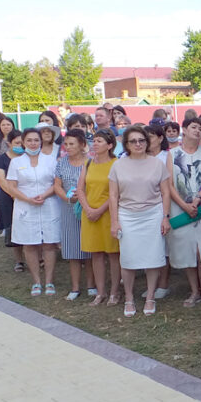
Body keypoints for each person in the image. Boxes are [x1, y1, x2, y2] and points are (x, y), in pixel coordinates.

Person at [108, 126, 173, 316]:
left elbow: (165, 192)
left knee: (153, 258)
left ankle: (150, 296)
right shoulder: (118, 165)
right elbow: (113, 195)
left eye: (141, 140)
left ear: (147, 142)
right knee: (127, 259)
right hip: (127, 215)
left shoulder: (157, 164)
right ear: (126, 144)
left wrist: (165, 217)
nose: (138, 144)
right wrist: (114, 222)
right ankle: (129, 298)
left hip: (153, 214)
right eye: (133, 141)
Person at [6, 128, 61, 296]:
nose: (33, 143)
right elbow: (11, 186)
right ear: (23, 142)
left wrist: (44, 195)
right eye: (29, 140)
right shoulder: (16, 162)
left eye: (36, 140)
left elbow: (56, 183)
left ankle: (49, 281)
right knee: (29, 244)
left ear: (41, 141)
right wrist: (28, 199)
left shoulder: (51, 160)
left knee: (49, 244)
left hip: (48, 203)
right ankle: (37, 281)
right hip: (26, 206)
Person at [168, 117, 201, 306]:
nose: (198, 131)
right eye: (194, 127)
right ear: (184, 130)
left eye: (200, 129)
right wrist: (184, 205)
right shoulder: (172, 154)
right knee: (187, 250)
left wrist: (197, 199)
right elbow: (169, 184)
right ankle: (194, 291)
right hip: (180, 208)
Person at [78, 129, 122, 305]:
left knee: (113, 254)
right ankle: (101, 292)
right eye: (94, 140)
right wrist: (88, 208)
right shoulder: (88, 163)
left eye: (99, 141)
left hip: (108, 214)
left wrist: (100, 210)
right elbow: (80, 188)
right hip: (89, 214)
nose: (94, 144)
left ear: (110, 145)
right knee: (96, 254)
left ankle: (114, 292)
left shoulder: (116, 164)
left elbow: (117, 193)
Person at [54, 129, 94, 300]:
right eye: (66, 144)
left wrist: (83, 198)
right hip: (69, 209)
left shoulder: (91, 162)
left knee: (90, 250)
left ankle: (92, 285)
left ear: (82, 145)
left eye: (72, 144)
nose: (68, 147)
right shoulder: (62, 163)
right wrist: (68, 199)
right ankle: (75, 287)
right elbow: (57, 185)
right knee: (72, 250)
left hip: (88, 208)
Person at [144, 121, 174, 298]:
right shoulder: (141, 157)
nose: (147, 140)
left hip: (162, 205)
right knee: (149, 247)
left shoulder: (165, 157)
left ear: (160, 138)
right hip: (145, 206)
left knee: (164, 247)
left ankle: (163, 284)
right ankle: (151, 285)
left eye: (151, 136)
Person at [0, 130, 26, 272]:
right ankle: (19, 260)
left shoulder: (27, 157)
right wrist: (14, 195)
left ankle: (38, 257)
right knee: (12, 228)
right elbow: (2, 180)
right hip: (8, 198)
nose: (20, 145)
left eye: (21, 143)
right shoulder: (1, 159)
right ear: (9, 143)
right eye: (17, 143)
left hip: (26, 197)